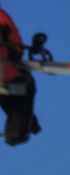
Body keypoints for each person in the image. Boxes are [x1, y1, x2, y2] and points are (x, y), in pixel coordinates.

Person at [0, 7, 38, 148]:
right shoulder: (2, 18)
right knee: (25, 88)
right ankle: (19, 132)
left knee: (14, 97)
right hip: (9, 82)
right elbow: (14, 47)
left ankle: (25, 127)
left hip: (6, 84)